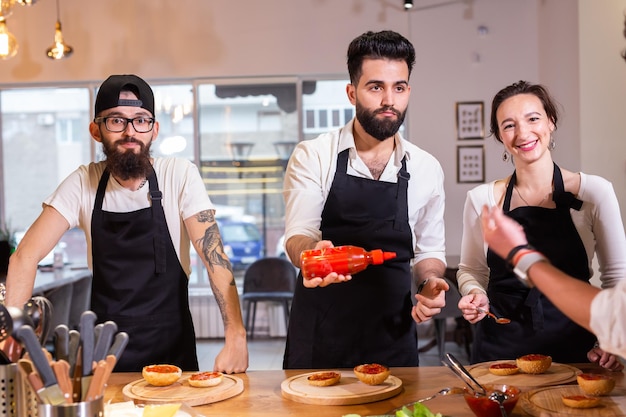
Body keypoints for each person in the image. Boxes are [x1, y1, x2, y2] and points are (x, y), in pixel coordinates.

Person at [3, 74, 248, 373]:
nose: (130, 131)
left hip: (173, 353)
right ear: (96, 130)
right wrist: (15, 333)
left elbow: (215, 259)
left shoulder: (179, 175)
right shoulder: (83, 183)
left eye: (141, 120)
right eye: (116, 120)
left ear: (154, 129)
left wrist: (236, 335)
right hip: (105, 360)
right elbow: (24, 256)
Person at [282, 30, 449, 369]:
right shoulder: (314, 155)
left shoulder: (426, 168)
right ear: (351, 92)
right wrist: (310, 256)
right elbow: (299, 234)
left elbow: (429, 251)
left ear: (408, 92)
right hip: (320, 333)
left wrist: (431, 282)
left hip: (393, 333)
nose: (389, 99)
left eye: (398, 87)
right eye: (376, 87)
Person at [457, 80, 626, 370]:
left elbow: (617, 276)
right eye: (509, 125)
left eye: (533, 119)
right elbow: (471, 270)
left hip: (577, 346)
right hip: (500, 348)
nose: (523, 133)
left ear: (550, 121)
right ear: (499, 135)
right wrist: (475, 294)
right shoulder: (481, 198)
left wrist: (609, 337)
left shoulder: (594, 192)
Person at [481, 205, 626, 362]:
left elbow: (612, 313)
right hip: (501, 340)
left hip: (573, 340)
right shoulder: (484, 197)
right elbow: (614, 313)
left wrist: (520, 255)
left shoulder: (592, 194)